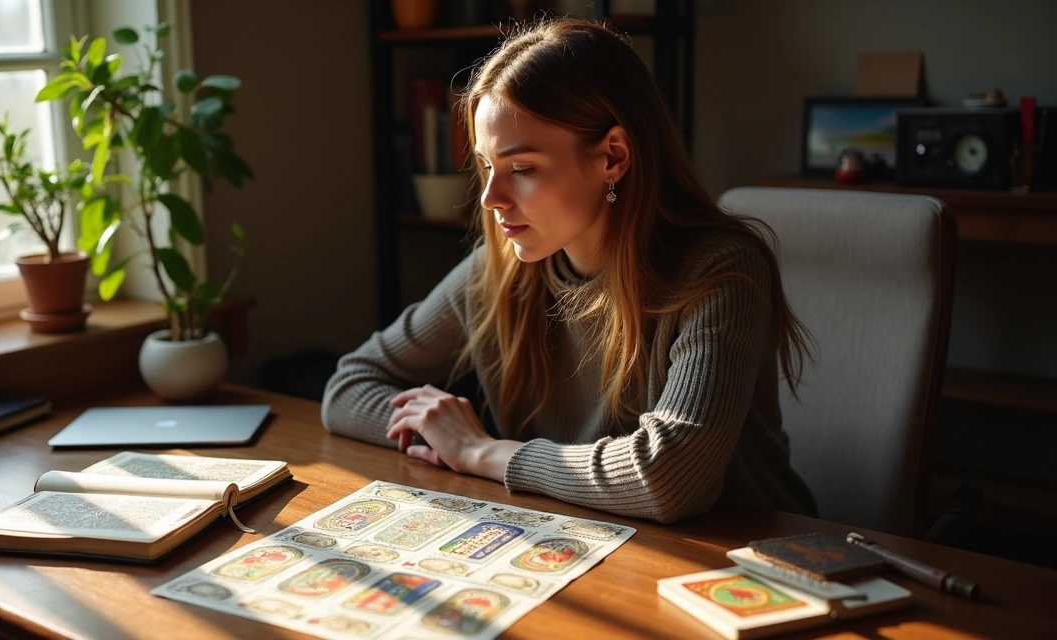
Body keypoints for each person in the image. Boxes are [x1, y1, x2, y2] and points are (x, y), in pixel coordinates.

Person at [322, 17, 816, 523]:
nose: (491, 199)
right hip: (593, 536)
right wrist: (438, 432)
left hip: (747, 561)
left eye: (522, 169)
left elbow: (668, 479)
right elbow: (349, 385)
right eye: (487, 165)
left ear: (613, 157)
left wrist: (479, 451)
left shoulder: (720, 273)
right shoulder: (500, 269)